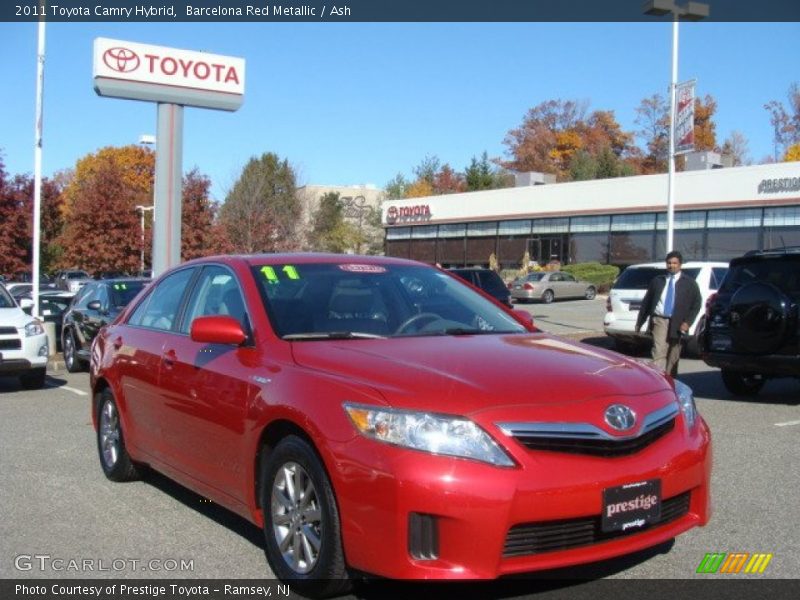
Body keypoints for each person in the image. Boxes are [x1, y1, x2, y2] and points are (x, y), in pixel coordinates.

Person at [635, 251, 701, 377]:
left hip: (678, 323)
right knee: (658, 351)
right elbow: (647, 303)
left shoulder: (689, 283)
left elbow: (696, 304)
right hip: (660, 320)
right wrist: (640, 322)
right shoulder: (658, 281)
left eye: (675, 263)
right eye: (669, 263)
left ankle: (671, 381)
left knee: (674, 354)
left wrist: (688, 322)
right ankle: (657, 380)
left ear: (680, 265)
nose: (672, 266)